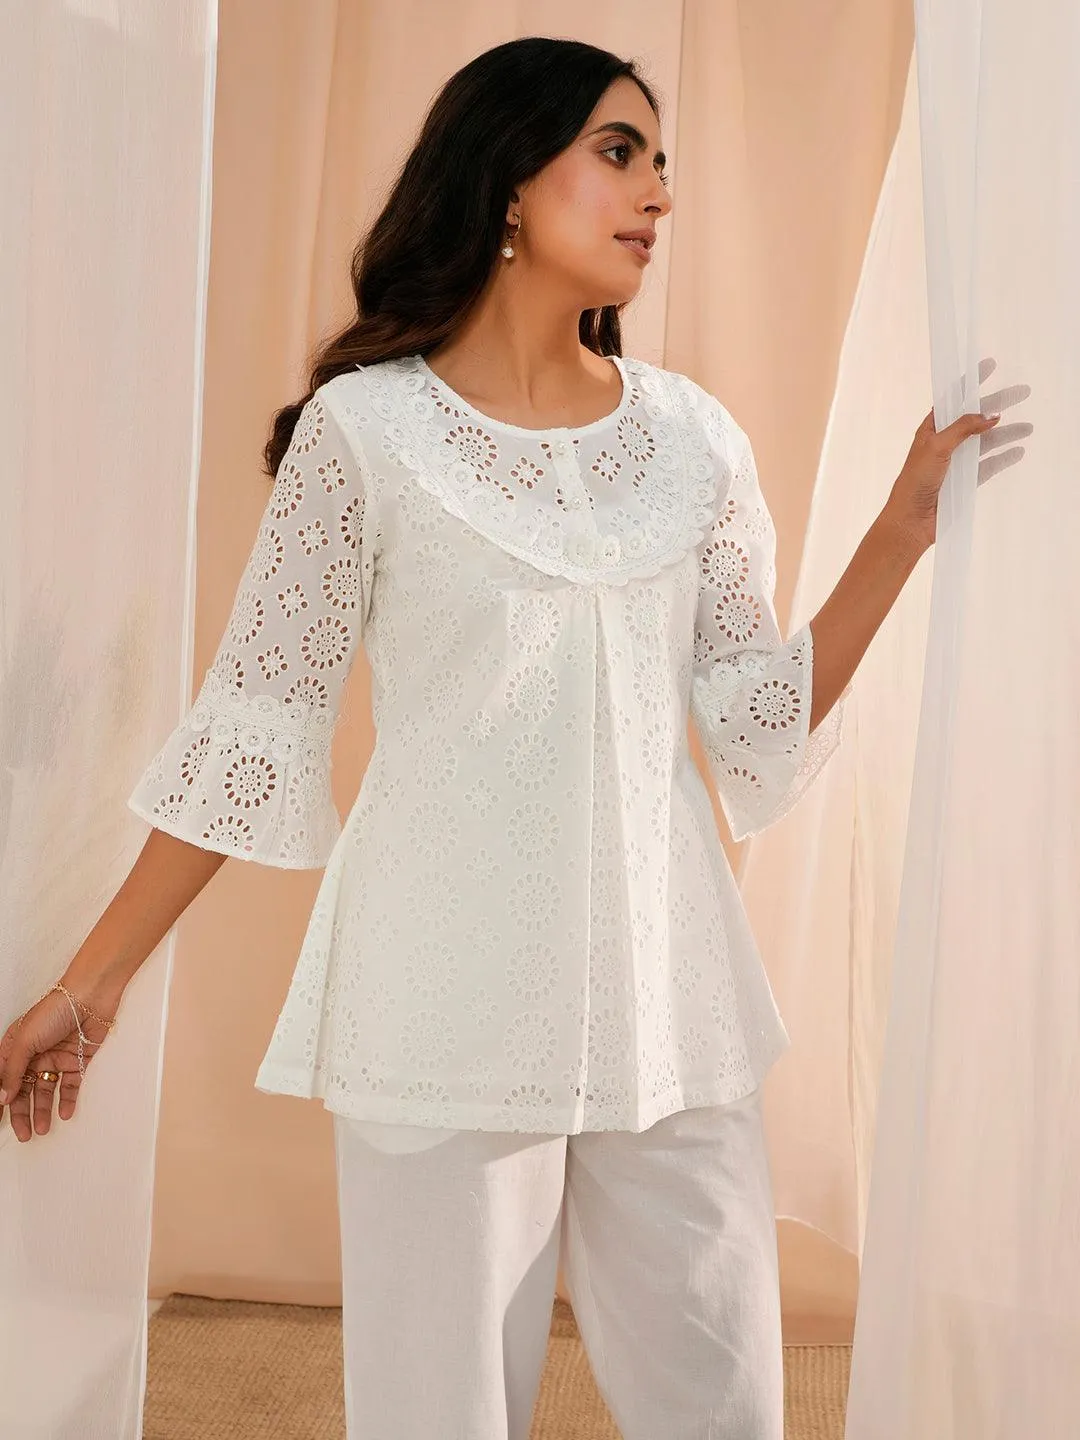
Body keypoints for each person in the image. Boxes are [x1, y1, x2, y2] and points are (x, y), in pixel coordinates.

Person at [0, 34, 1030, 1440]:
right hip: (442, 998)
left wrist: (900, 533)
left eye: (662, 163)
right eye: (618, 152)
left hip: (668, 993)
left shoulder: (694, 440)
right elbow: (256, 728)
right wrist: (93, 980)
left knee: (726, 1402)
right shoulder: (366, 435)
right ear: (506, 181)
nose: (658, 193)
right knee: (440, 1412)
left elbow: (753, 718)